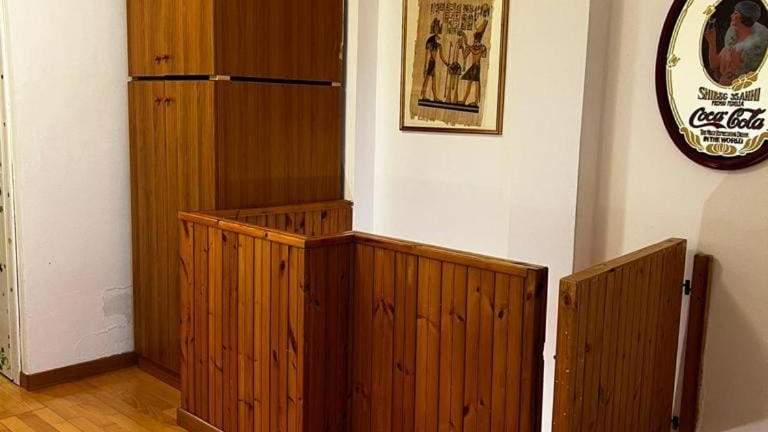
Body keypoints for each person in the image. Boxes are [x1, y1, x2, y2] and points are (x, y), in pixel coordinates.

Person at [705, 0, 768, 86]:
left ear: (744, 18)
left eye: (735, 13)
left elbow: (731, 83)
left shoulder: (752, 51)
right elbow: (714, 64)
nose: (731, 16)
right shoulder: (732, 40)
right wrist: (711, 41)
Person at [461, 19, 489, 106]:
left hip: (476, 67)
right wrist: (463, 47)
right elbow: (464, 56)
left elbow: (482, 55)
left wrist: (470, 48)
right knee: (471, 83)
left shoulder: (480, 47)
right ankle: (465, 100)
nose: (476, 41)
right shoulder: (475, 47)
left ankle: (475, 101)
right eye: (475, 39)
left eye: (477, 39)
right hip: (473, 67)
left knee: (475, 83)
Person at [421, 18, 449, 101]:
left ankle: (435, 97)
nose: (436, 29)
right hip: (430, 62)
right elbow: (426, 55)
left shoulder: (439, 45)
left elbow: (441, 56)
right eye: (435, 27)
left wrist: (447, 64)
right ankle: (424, 95)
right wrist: (425, 66)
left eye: (437, 28)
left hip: (434, 63)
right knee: (427, 79)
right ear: (433, 28)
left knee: (433, 80)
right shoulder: (430, 41)